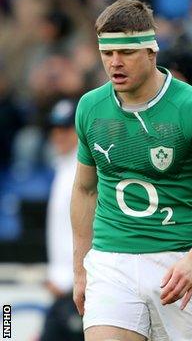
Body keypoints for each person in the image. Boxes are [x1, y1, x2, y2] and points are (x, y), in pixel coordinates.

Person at [70, 0, 192, 341]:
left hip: (177, 261)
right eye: (107, 54)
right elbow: (84, 189)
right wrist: (80, 269)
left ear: (152, 51)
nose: (115, 63)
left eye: (126, 53)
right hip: (111, 261)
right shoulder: (90, 107)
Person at [40, 99, 84, 341]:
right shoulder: (63, 168)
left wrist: (68, 278)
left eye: (66, 129)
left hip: (75, 286)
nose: (58, 135)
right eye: (55, 129)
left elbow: (87, 228)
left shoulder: (81, 171)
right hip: (63, 286)